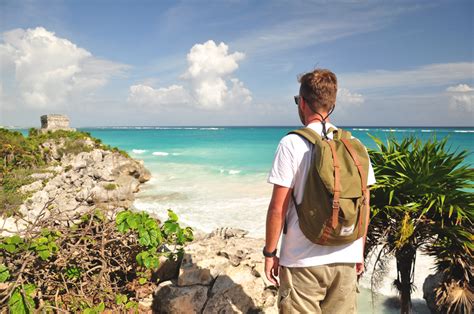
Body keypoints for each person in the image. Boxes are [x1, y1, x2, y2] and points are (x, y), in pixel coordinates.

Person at [264, 68, 376, 313]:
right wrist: (359, 252)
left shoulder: (292, 143)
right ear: (332, 104)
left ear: (302, 102)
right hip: (346, 256)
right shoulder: (356, 147)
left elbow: (277, 207)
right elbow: (364, 206)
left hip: (302, 261)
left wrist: (270, 252)